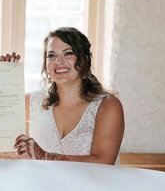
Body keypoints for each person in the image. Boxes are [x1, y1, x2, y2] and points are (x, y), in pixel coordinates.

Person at [13, 27, 124, 164]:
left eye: (68, 53)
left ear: (84, 60)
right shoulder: (34, 101)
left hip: (92, 185)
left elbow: (104, 162)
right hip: (40, 184)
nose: (58, 61)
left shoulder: (107, 106)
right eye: (51, 55)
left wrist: (45, 156)